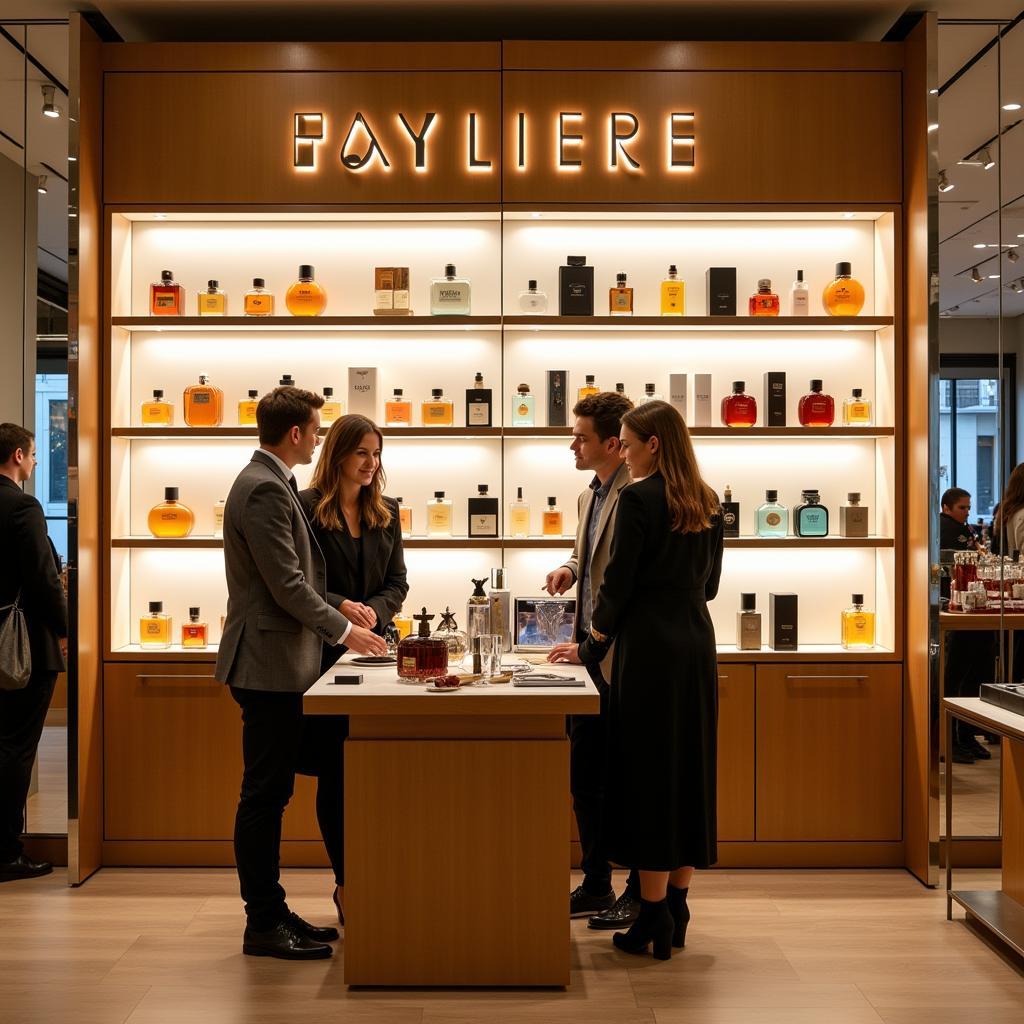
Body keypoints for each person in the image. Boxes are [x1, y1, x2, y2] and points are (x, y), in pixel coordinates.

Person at [216, 386, 388, 961]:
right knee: (265, 794)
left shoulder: (270, 482)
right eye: (315, 430)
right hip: (267, 665)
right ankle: (262, 921)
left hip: (283, 663)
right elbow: (287, 585)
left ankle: (273, 908)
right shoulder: (265, 488)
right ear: (297, 434)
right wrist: (345, 630)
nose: (316, 438)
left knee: (274, 790)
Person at [550, 400, 723, 961]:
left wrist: (589, 645)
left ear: (652, 444)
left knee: (648, 780)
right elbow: (712, 584)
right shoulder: (707, 501)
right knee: (687, 774)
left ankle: (651, 915)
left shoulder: (637, 497)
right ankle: (677, 902)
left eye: (626, 442)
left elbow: (617, 589)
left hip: (647, 650)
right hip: (696, 643)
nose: (621, 451)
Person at [298, 414, 409, 925]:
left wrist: (376, 612)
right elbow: (295, 584)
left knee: (378, 770)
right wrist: (343, 607)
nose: (371, 463)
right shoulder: (304, 508)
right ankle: (348, 883)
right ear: (338, 453)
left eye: (377, 453)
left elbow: (398, 582)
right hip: (320, 656)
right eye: (362, 452)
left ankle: (385, 875)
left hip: (375, 656)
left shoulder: (387, 511)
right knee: (336, 774)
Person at [542, 391, 640, 930]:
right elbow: (593, 555)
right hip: (584, 657)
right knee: (586, 777)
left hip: (619, 655)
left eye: (581, 437)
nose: (572, 444)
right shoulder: (590, 496)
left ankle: (633, 888)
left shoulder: (638, 495)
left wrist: (595, 641)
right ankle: (597, 882)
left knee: (624, 776)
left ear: (613, 444)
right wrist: (570, 568)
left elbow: (629, 580)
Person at [0, 424, 67, 882]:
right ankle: (6, 852)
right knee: (16, 750)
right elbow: (44, 581)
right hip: (20, 648)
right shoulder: (23, 506)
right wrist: (65, 629)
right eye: (35, 455)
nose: (37, 462)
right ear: (20, 456)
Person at [939, 486, 994, 763]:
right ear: (946, 508)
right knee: (957, 674)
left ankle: (967, 734)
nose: (967, 511)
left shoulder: (968, 530)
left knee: (975, 673)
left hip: (974, 607)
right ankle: (950, 738)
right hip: (955, 608)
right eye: (962, 507)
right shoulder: (945, 529)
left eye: (969, 507)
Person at [940, 487, 979, 552]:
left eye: (968, 508)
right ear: (946, 508)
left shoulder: (961, 524)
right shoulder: (947, 527)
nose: (967, 513)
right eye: (962, 508)